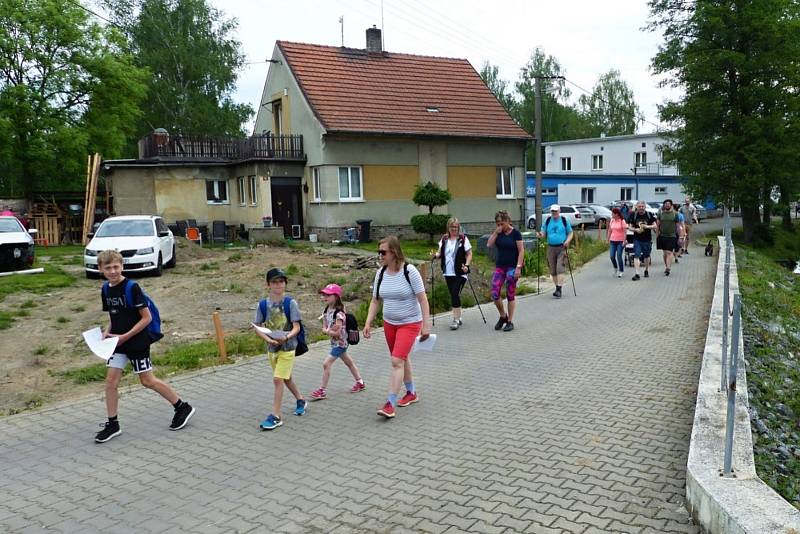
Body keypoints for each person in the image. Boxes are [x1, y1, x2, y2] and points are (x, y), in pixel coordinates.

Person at [94, 250, 195, 443]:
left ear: (122, 266)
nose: (113, 271)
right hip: (117, 343)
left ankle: (182, 406)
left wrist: (126, 336)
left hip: (137, 342)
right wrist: (108, 332)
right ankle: (113, 423)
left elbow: (146, 318)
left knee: (147, 381)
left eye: (116, 267)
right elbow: (113, 316)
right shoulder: (106, 289)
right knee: (110, 382)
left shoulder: (132, 287)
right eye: (108, 268)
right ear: (101, 269)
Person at [364, 236, 431, 419]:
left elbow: (423, 299)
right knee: (401, 358)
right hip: (389, 323)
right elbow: (375, 300)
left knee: (396, 361)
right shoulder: (381, 273)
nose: (380, 256)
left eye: (383, 252)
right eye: (379, 252)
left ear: (394, 252)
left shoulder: (410, 271)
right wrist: (368, 322)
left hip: (410, 323)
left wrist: (426, 325)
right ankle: (411, 392)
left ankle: (390, 404)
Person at [254, 267, 307, 430]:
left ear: (285, 284)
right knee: (285, 378)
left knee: (277, 380)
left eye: (281, 282)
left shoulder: (290, 303)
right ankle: (301, 400)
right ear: (268, 285)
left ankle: (276, 416)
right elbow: (257, 326)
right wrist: (268, 338)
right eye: (274, 282)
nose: (278, 285)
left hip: (288, 347)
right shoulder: (263, 304)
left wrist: (285, 337)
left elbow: (297, 327)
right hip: (272, 348)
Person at [308, 283, 365, 401]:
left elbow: (337, 333)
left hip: (340, 343)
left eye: (328, 295)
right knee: (348, 362)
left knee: (326, 364)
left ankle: (322, 390)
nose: (325, 297)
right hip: (335, 342)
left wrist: (326, 331)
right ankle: (360, 382)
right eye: (324, 294)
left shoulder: (339, 313)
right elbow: (324, 320)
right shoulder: (327, 309)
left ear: (336, 297)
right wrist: (325, 327)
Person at [486, 210, 524, 331]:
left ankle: (510, 321)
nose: (500, 226)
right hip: (500, 267)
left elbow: (521, 251)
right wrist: (496, 233)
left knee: (510, 293)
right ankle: (503, 315)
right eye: (497, 224)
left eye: (502, 224)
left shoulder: (516, 233)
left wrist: (518, 267)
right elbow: (489, 244)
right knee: (494, 292)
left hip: (512, 267)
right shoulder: (498, 233)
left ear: (508, 221)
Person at [433, 218, 473, 330]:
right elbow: (440, 252)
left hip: (460, 272)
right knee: (454, 295)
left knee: (455, 294)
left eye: (456, 227)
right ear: (448, 228)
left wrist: (467, 265)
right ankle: (459, 317)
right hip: (448, 272)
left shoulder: (463, 239)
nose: (454, 229)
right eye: (452, 227)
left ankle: (455, 320)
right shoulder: (444, 239)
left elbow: (469, 254)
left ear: (458, 227)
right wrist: (436, 255)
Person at [537, 205, 573, 299]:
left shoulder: (564, 221)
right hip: (550, 248)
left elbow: (570, 233)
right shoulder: (548, 221)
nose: (554, 213)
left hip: (562, 247)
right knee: (553, 270)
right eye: (552, 211)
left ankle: (559, 289)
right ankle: (557, 288)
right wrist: (540, 235)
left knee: (559, 268)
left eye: (556, 211)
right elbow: (543, 233)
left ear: (559, 211)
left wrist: (567, 241)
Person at [627, 201, 657, 281]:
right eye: (639, 206)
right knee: (636, 255)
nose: (641, 208)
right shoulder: (633, 215)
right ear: (637, 207)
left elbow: (655, 225)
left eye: (642, 206)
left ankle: (646, 270)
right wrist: (635, 229)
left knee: (646, 256)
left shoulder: (649, 214)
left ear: (645, 207)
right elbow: (629, 227)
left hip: (647, 239)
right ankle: (637, 274)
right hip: (637, 239)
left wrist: (647, 226)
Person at [656, 199, 679, 276]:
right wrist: (657, 234)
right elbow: (657, 225)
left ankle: (668, 268)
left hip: (672, 236)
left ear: (671, 205)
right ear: (664, 205)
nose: (667, 205)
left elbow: (678, 225)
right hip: (662, 235)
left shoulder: (675, 214)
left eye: (669, 204)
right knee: (665, 253)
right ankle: (666, 266)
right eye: (666, 204)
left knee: (669, 252)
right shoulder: (660, 214)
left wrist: (680, 235)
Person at [606, 207, 628, 278]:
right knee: (612, 256)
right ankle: (615, 267)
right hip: (613, 240)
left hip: (620, 241)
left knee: (619, 256)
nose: (611, 214)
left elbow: (625, 232)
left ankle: (621, 270)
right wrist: (608, 239)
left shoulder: (622, 221)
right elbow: (610, 230)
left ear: (617, 214)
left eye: (613, 213)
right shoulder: (612, 220)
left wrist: (624, 241)